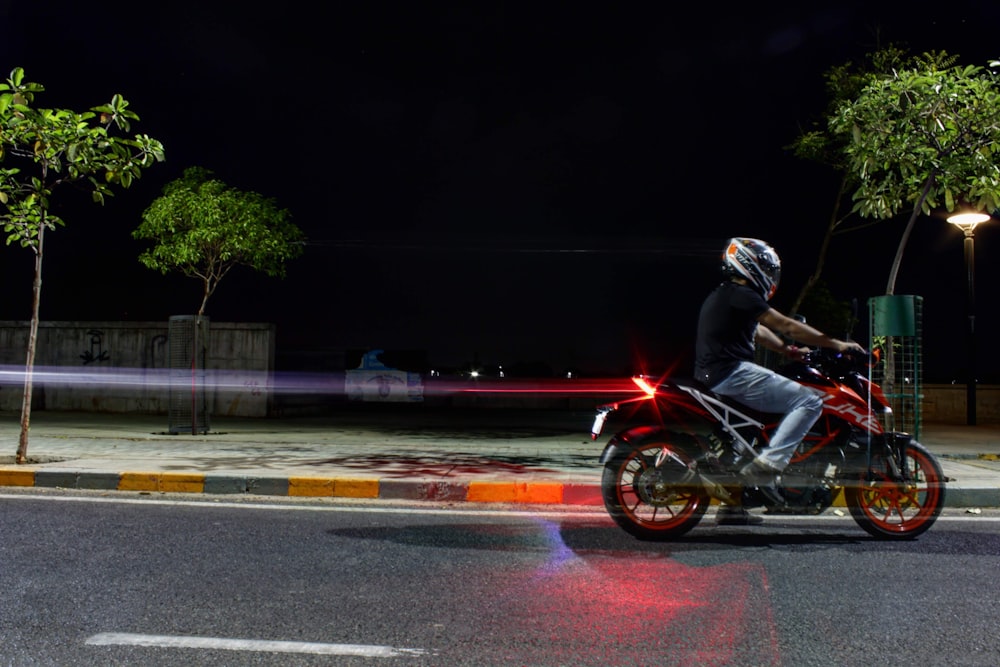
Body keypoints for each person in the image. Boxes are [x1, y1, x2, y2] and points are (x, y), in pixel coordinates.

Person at [694, 237, 865, 526]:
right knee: (809, 400)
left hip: (717, 373)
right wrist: (835, 343)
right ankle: (769, 465)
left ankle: (733, 507)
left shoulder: (729, 295)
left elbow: (758, 331)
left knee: (752, 431)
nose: (770, 274)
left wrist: (787, 351)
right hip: (730, 372)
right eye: (765, 267)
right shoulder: (741, 294)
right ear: (749, 263)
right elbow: (784, 324)